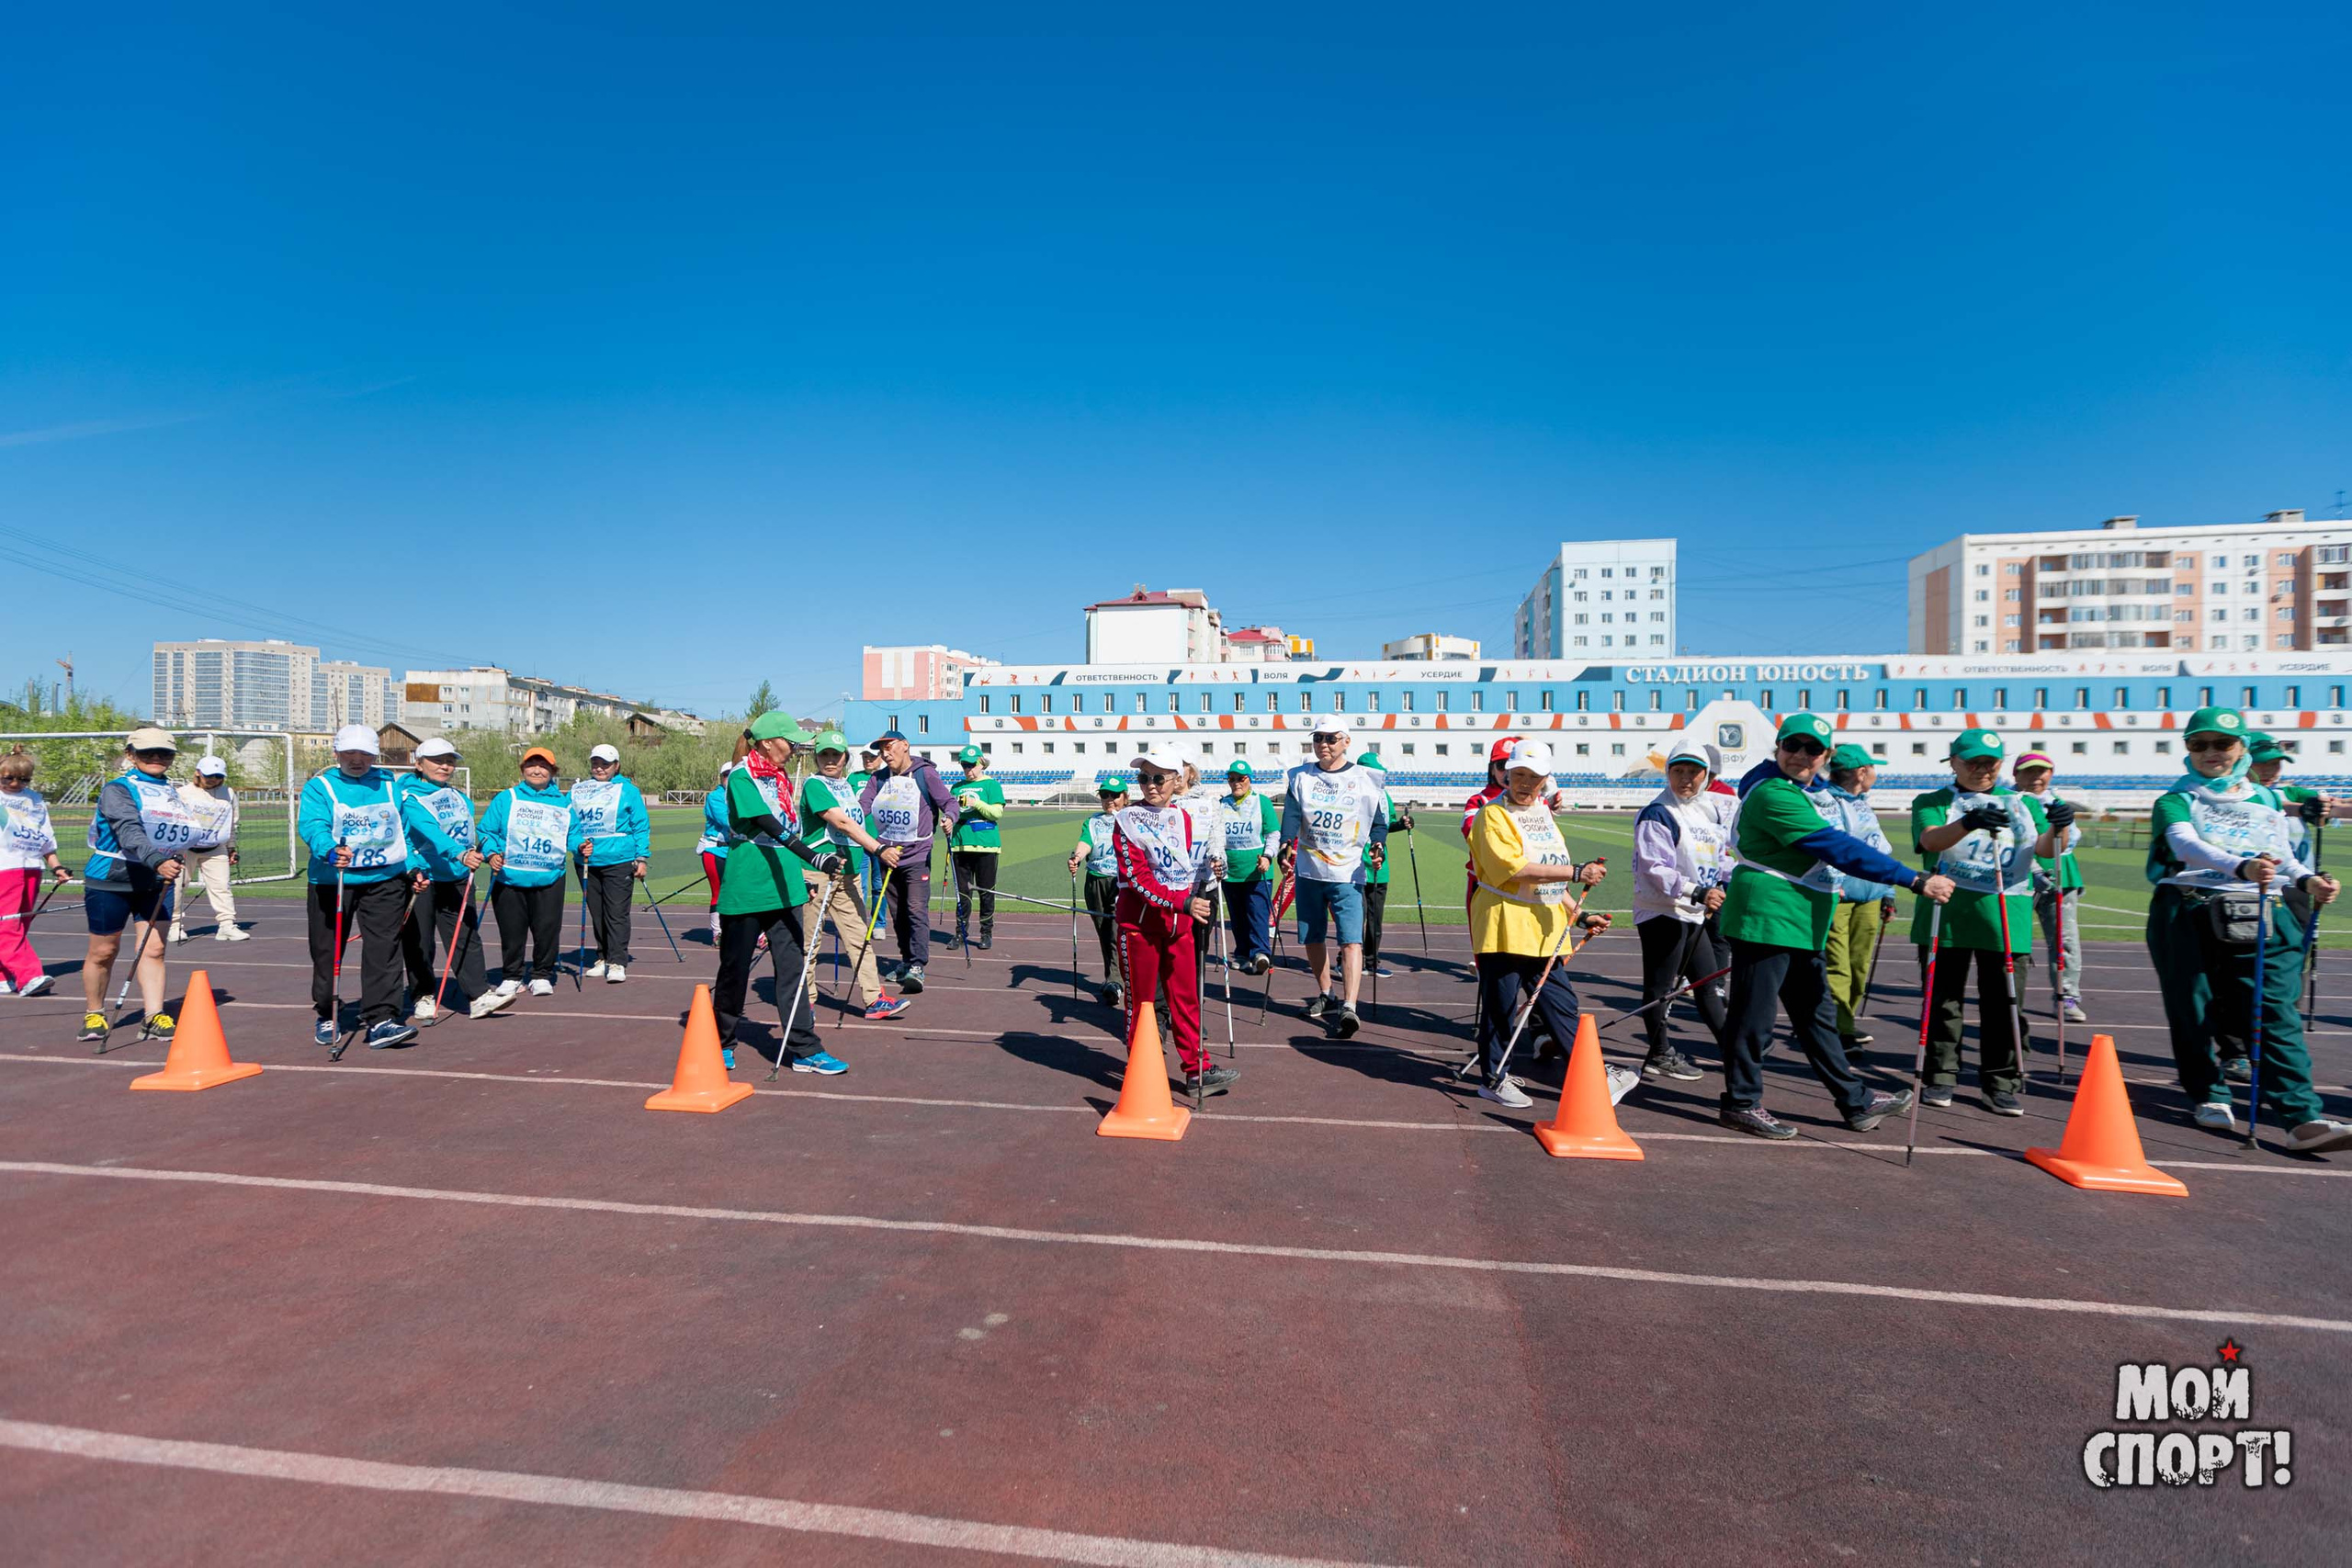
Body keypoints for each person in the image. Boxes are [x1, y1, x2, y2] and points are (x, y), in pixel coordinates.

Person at [1715, 712, 1952, 1139]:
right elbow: (1836, 847)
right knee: (1755, 1017)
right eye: (1792, 746)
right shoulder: (1774, 794)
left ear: (1826, 756)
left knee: (1816, 1016)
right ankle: (1740, 1102)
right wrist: (1913, 879)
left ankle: (1855, 1100)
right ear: (1779, 749)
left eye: (1813, 750)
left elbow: (1821, 794)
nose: (1800, 756)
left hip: (1801, 916)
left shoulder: (1802, 788)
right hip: (1768, 914)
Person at [2145, 706, 2351, 1153]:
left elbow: (2282, 855)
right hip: (2187, 908)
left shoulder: (2266, 799)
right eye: (2198, 744)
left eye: (2223, 744)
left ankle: (2300, 1117)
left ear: (2241, 749)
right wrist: (2240, 865)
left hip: (2261, 909)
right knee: (2194, 1007)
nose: (2211, 753)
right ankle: (2210, 1094)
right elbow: (2186, 845)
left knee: (2275, 1008)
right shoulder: (2175, 799)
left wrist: (2306, 880)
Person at [1908, 728, 2064, 1116]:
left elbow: (2045, 850)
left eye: (1990, 763)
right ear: (1954, 763)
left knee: (2005, 1003)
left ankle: (2001, 1081)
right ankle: (1941, 1074)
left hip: (2006, 915)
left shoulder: (2024, 803)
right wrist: (1970, 821)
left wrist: (2059, 825)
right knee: (1943, 1001)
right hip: (1946, 914)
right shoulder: (1933, 801)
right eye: (1972, 762)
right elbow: (1931, 841)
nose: (1981, 770)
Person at [1467, 741, 1630, 1107]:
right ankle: (1494, 1078)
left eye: (1534, 777)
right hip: (1504, 924)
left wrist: (1580, 913)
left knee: (1561, 1003)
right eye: (1519, 775)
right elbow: (1513, 869)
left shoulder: (1542, 813)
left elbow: (1551, 878)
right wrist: (1576, 872)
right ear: (1507, 775)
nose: (1525, 783)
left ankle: (1591, 1076)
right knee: (1502, 1007)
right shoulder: (1492, 815)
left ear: (1545, 780)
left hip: (1545, 926)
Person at [713, 711, 853, 1075]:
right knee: (735, 970)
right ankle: (722, 1040)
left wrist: (805, 868)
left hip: (786, 885)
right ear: (767, 742)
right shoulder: (742, 777)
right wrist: (813, 857)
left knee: (793, 970)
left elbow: (790, 826)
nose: (793, 749)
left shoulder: (780, 778)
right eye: (789, 742)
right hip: (748, 886)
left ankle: (805, 1048)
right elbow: (770, 827)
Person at [1113, 747, 1236, 1096]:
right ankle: (1141, 1072)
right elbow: (1137, 880)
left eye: (1158, 779)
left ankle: (1198, 1071)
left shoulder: (1184, 816)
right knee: (1142, 1004)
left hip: (1178, 922)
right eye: (1143, 779)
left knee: (1186, 998)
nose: (1150, 786)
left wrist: (1211, 870)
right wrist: (1182, 902)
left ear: (1176, 781)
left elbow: (1186, 868)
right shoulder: (1127, 820)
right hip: (1140, 926)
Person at [297, 725, 418, 1049]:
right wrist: (329, 848)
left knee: (384, 949)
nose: (356, 760)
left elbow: (404, 831)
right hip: (333, 880)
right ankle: (327, 1012)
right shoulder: (319, 787)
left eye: (364, 753)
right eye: (349, 753)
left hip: (385, 879)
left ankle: (382, 1019)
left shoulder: (390, 786)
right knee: (327, 951)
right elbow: (312, 825)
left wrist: (415, 865)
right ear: (336, 754)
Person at [1278, 717, 1391, 1038]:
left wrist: (1379, 844)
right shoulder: (1300, 777)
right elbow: (1292, 816)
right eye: (1318, 738)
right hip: (1309, 870)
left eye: (1330, 738)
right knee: (1313, 937)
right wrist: (1286, 844)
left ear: (1346, 741)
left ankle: (1350, 1005)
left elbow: (1378, 823)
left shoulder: (1365, 778)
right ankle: (1327, 993)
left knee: (1351, 939)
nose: (1323, 744)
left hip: (1348, 871)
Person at [75, 728, 191, 1041]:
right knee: (104, 951)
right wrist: (157, 860)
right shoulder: (118, 790)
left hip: (157, 879)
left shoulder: (174, 792)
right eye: (147, 753)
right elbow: (129, 831)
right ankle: (94, 1013)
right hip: (112, 878)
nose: (157, 758)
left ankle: (154, 1015)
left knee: (153, 949)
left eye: (164, 753)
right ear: (130, 755)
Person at [1628, 738, 1732, 1082]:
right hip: (1662, 912)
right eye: (1679, 770)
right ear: (1668, 772)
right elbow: (1654, 869)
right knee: (1660, 987)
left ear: (1706, 775)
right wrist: (1698, 891)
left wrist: (1733, 883)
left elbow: (1719, 859)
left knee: (1706, 983)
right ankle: (1659, 1053)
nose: (1686, 778)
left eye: (1694, 772)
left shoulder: (1707, 811)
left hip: (1693, 912)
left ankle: (1733, 1051)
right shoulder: (1658, 812)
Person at [798, 729, 910, 1021]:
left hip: (848, 875)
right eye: (824, 754)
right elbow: (843, 822)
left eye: (836, 755)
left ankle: (873, 999)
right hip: (818, 874)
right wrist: (878, 849)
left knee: (860, 937)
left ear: (846, 757)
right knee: (811, 942)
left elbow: (862, 821)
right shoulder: (814, 785)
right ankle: (806, 1002)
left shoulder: (846, 787)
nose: (830, 760)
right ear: (817, 757)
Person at [394, 737, 497, 1022]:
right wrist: (459, 854)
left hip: (457, 877)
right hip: (423, 878)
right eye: (437, 760)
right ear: (419, 764)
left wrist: (485, 850)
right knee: (420, 941)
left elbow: (469, 833)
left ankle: (478, 995)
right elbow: (430, 831)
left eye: (450, 761)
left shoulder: (459, 797)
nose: (445, 766)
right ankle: (423, 994)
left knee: (466, 937)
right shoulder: (409, 797)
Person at [856, 729, 957, 994]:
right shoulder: (877, 779)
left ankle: (918, 964)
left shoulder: (925, 774)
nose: (884, 754)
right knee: (898, 913)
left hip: (917, 856)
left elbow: (949, 802)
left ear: (905, 746)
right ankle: (905, 960)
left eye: (889, 748)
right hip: (887, 856)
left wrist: (949, 817)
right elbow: (862, 806)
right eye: (881, 750)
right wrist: (844, 819)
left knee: (915, 910)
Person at [477, 746, 576, 1002]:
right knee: (512, 930)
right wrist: (491, 853)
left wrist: (580, 845)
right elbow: (486, 832)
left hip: (549, 876)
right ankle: (512, 976)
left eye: (543, 766)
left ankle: (542, 974)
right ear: (522, 769)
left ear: (553, 772)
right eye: (531, 764)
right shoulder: (506, 798)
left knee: (547, 929)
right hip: (509, 876)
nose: (537, 769)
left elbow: (572, 833)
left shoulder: (564, 802)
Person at [1818, 744, 1898, 1055]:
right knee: (1837, 966)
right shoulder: (1827, 802)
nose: (1876, 774)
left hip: (1871, 894)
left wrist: (1888, 893)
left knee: (1858, 966)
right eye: (1872, 768)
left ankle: (1842, 1020)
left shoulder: (1864, 804)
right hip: (1839, 895)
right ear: (1861, 772)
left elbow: (1881, 850)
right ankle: (1840, 1028)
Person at [2011, 750, 2088, 1028]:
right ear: (2016, 775)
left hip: (2061, 877)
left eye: (2042, 771)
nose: (2036, 777)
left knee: (2065, 940)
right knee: (2012, 940)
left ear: (2051, 774)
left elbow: (2070, 841)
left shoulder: (2057, 803)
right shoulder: (2008, 801)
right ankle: (2006, 992)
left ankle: (2067, 995)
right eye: (2029, 771)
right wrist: (2034, 870)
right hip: (2018, 879)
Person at [572, 742, 649, 983]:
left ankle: (617, 961)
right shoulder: (577, 790)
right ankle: (603, 956)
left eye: (605, 764)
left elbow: (640, 825)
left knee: (616, 912)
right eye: (596, 763)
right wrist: (576, 843)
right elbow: (567, 823)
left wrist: (642, 857)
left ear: (616, 766)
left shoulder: (628, 790)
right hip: (586, 859)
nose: (599, 768)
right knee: (597, 912)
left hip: (619, 859)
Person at [0, 749, 72, 998]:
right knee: (5, 926)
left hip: (31, 867)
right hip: (3, 868)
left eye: (22, 779)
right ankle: (29, 976)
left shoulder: (35, 801)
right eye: (7, 778)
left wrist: (57, 866)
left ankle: (4, 975)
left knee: (20, 923)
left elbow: (46, 838)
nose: (15, 783)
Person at [167, 756, 245, 942]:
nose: (214, 779)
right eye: (209, 775)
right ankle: (174, 925)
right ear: (198, 772)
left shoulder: (229, 793)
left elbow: (231, 823)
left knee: (221, 887)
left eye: (218, 776)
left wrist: (231, 847)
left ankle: (227, 925)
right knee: (178, 886)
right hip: (186, 848)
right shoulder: (183, 792)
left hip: (215, 848)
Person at [1068, 778, 1129, 1006]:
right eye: (1105, 795)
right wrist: (1077, 857)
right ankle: (1112, 977)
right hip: (1095, 881)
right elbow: (1086, 842)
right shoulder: (1093, 821)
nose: (1110, 800)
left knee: (1115, 931)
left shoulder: (1131, 817)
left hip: (1121, 883)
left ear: (1125, 796)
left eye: (1114, 795)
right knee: (1104, 932)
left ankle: (1117, 981)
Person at [1215, 761, 1279, 976]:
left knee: (1257, 913)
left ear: (1249, 779)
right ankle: (1242, 953)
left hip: (1257, 870)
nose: (1236, 783)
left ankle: (1260, 953)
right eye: (1231, 779)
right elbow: (1215, 836)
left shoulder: (1261, 803)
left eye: (1240, 778)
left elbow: (1272, 834)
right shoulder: (1222, 804)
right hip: (1230, 871)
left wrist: (1268, 857)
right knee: (1237, 916)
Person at [1355, 750, 1410, 981]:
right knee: (1355, 919)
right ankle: (1347, 961)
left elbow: (1384, 827)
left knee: (1375, 920)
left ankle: (1371, 962)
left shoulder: (1384, 796)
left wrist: (1402, 825)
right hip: (1355, 865)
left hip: (1379, 865)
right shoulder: (1354, 794)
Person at [946, 743, 1006, 950]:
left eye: (971, 765)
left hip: (986, 846)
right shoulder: (956, 787)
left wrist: (976, 803)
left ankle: (986, 933)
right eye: (964, 765)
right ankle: (960, 933)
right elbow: (951, 811)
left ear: (981, 763)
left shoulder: (992, 785)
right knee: (962, 893)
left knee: (985, 891)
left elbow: (997, 813)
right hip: (960, 846)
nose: (968, 769)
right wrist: (947, 820)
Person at [695, 748, 744, 942]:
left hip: (735, 849)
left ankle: (747, 931)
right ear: (721, 778)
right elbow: (729, 821)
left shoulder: (741, 794)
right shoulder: (715, 797)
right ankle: (718, 932)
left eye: (733, 775)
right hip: (715, 849)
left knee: (741, 890)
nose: (729, 778)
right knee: (719, 891)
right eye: (726, 775)